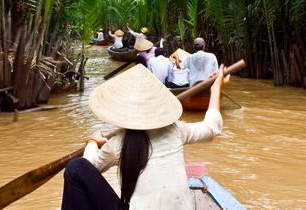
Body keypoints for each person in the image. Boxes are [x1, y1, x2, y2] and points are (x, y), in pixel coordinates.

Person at [61, 63, 230, 210]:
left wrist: (92, 142)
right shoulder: (177, 130)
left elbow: (90, 166)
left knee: (75, 169)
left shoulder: (118, 142)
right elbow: (212, 127)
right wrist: (216, 88)